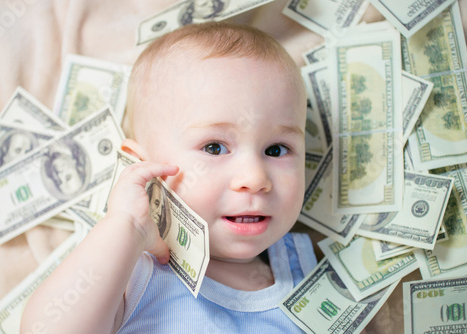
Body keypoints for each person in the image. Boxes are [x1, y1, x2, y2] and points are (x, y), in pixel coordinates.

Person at [21, 22, 316, 333]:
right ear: (140, 166)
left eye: (276, 150)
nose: (255, 178)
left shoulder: (307, 278)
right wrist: (127, 225)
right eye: (214, 147)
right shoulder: (133, 271)